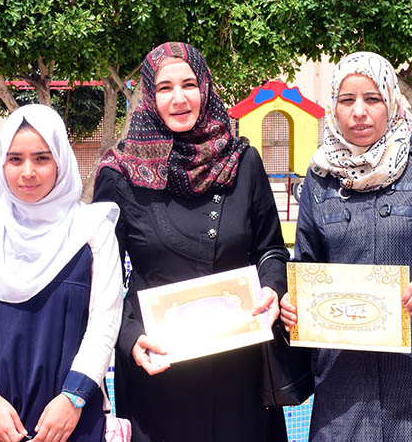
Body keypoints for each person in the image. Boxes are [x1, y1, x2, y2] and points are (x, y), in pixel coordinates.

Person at [279, 51, 412, 441]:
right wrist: (293, 303)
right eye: (347, 100)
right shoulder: (320, 180)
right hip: (344, 391)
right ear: (333, 108)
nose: (359, 112)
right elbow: (305, 268)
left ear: (391, 101)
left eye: (372, 99)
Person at [93, 41, 288, 442]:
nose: (179, 98)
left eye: (189, 84)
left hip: (239, 366)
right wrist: (129, 338)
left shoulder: (242, 161)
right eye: (164, 87)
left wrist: (272, 286)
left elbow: (270, 248)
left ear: (205, 88)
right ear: (149, 96)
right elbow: (100, 278)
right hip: (157, 366)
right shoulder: (120, 173)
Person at [0, 104, 123, 442]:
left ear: (60, 161)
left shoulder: (92, 230)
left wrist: (73, 397)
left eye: (42, 159)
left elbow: (105, 321)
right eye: (15, 159)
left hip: (68, 418)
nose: (27, 172)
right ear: (2, 164)